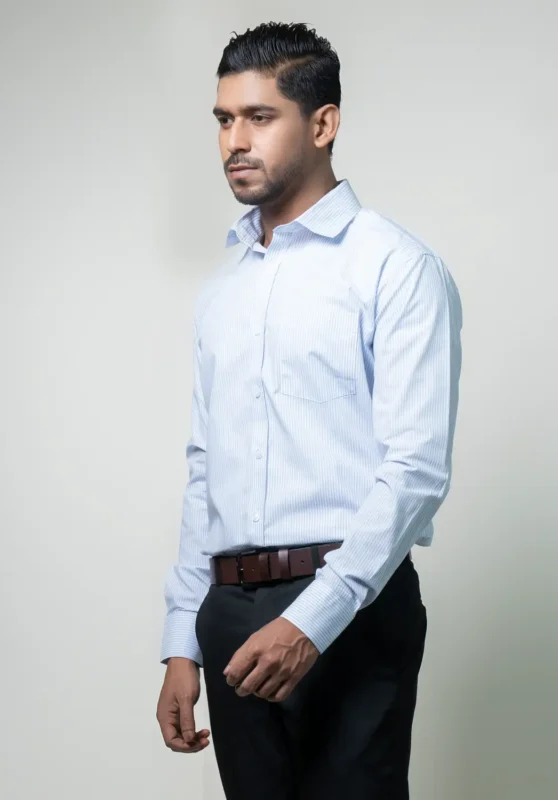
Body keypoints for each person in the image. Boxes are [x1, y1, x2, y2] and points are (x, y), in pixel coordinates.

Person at [156, 20, 462, 800]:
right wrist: (182, 641)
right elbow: (205, 472)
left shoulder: (395, 267)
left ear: (323, 124)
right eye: (225, 119)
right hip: (226, 610)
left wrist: (312, 621)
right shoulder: (223, 291)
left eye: (260, 117)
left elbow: (416, 470)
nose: (235, 141)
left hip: (349, 606)